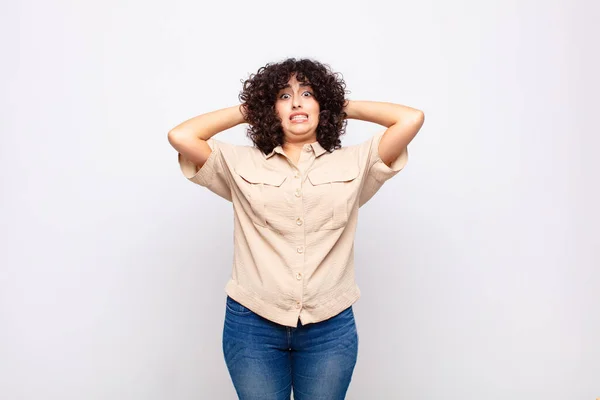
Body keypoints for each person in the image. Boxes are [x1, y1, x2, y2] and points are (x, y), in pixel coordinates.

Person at [167, 58, 424, 400]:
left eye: (307, 93)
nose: (298, 102)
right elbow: (181, 135)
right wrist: (254, 107)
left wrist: (337, 103)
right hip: (252, 323)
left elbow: (410, 119)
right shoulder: (239, 162)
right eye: (284, 96)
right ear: (271, 109)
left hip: (329, 326)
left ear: (323, 104)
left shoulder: (357, 161)